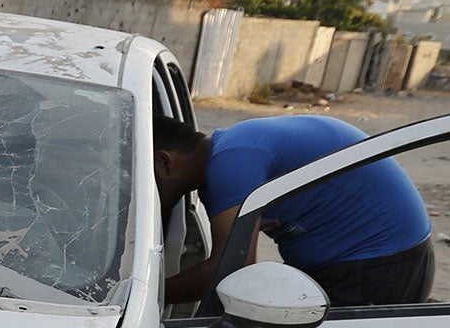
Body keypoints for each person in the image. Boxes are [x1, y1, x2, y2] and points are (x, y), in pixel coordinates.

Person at [154, 112, 434, 307]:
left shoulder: (232, 160)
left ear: (164, 163)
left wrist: (145, 296)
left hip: (379, 267)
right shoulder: (228, 157)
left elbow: (231, 271)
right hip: (365, 264)